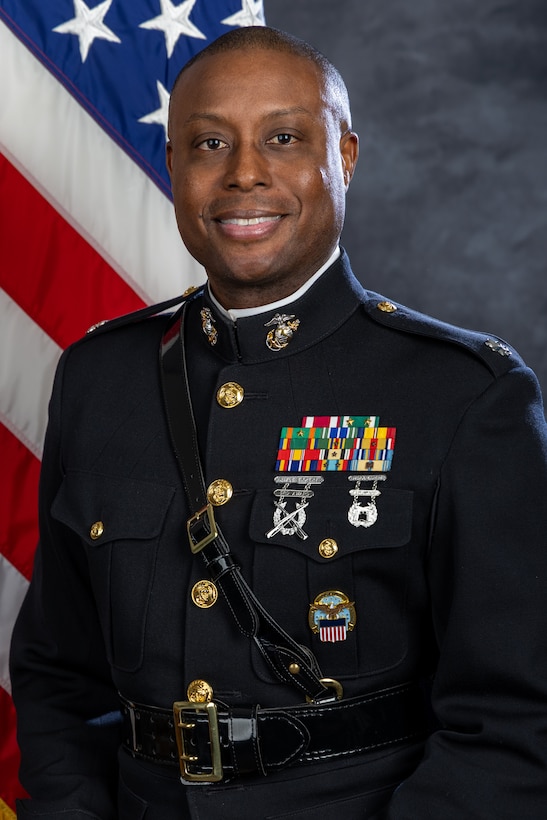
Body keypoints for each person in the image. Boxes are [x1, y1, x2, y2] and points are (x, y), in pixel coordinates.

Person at [10, 25, 547, 820]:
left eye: (284, 138)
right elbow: (59, 674)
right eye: (209, 143)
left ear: (345, 157)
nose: (244, 173)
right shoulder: (100, 379)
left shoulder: (461, 395)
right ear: (172, 165)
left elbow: (514, 719)